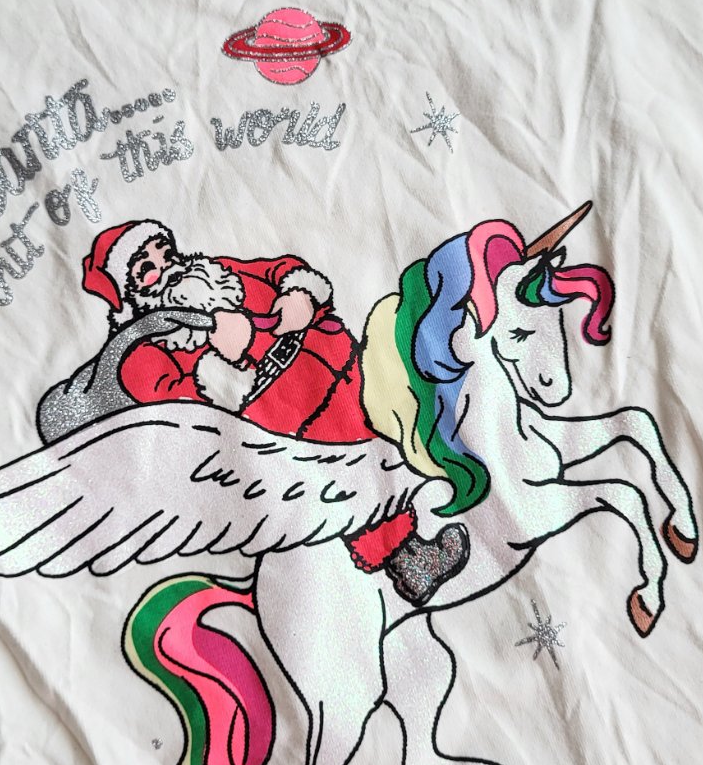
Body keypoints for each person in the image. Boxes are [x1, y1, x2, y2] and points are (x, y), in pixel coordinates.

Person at [75, 219, 469, 604]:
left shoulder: (216, 274)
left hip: (338, 369)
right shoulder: (146, 351)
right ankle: (408, 561)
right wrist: (224, 374)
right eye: (146, 268)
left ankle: (437, 498)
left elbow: (275, 269)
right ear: (129, 295)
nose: (167, 267)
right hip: (291, 424)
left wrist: (298, 292)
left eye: (164, 252)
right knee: (350, 484)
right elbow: (179, 416)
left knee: (396, 429)